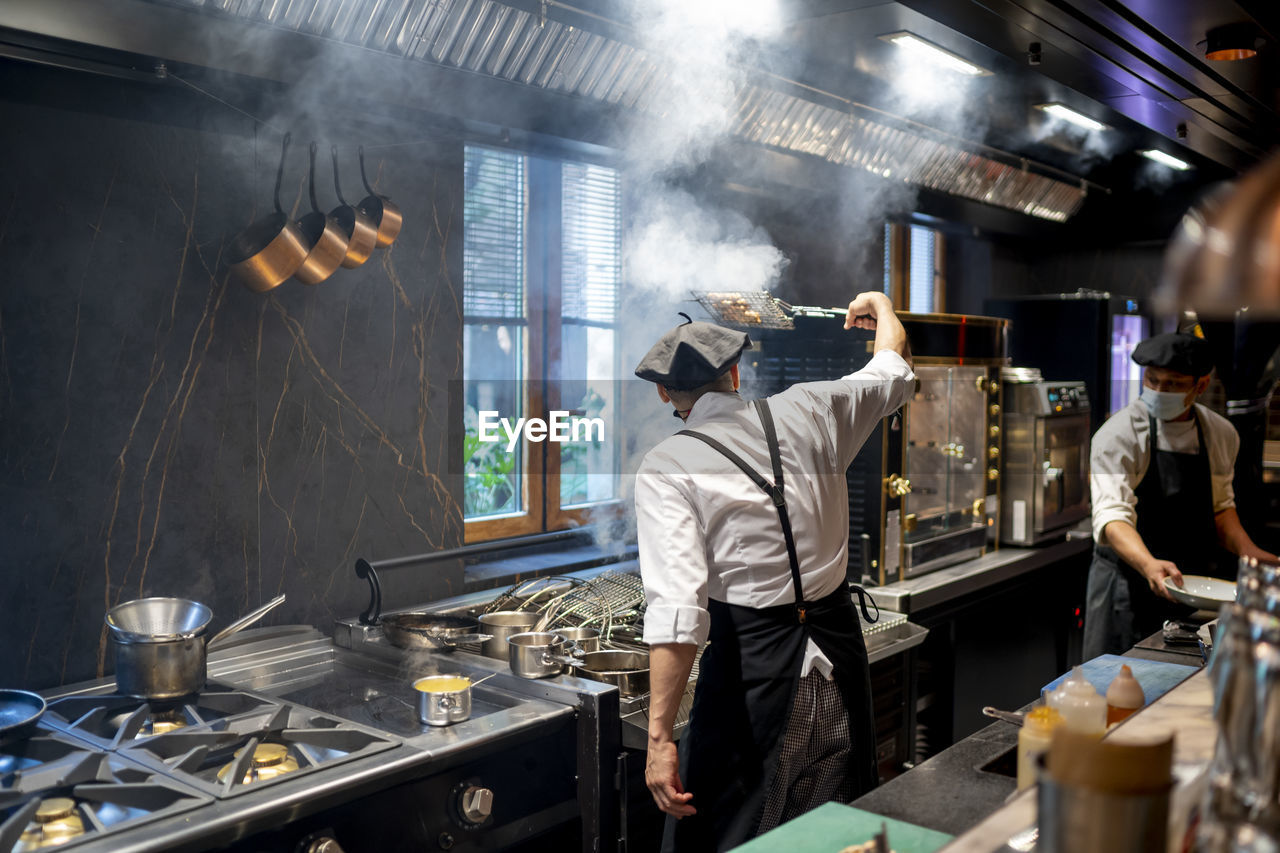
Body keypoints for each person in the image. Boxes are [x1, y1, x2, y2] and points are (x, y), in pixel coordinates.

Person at [633, 290, 914, 851]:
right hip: (838, 665)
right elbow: (894, 370)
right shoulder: (812, 407)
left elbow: (680, 612)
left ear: (665, 393)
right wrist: (882, 306)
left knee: (730, 837)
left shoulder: (668, 465)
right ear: (736, 375)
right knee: (830, 837)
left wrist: (660, 737)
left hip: (754, 686)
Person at [1085, 331, 1276, 659]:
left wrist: (1250, 552)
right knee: (1117, 689)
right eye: (1152, 380)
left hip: (1188, 587)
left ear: (1200, 386)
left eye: (1173, 384)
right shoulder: (1119, 434)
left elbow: (1220, 507)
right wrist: (1148, 565)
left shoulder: (1220, 433)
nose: (1159, 391)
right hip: (1128, 586)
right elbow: (1113, 517)